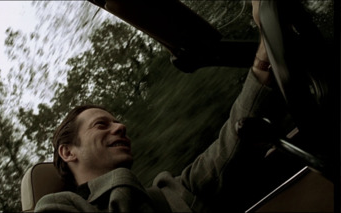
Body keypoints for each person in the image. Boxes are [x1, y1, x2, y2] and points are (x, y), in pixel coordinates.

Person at [35, 1, 282, 212]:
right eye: (101, 125)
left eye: (117, 121)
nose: (121, 126)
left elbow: (230, 146)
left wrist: (265, 49)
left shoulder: (173, 191)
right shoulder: (56, 207)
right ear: (68, 152)